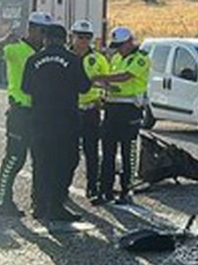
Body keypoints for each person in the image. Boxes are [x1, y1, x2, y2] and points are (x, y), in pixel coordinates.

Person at [22, 23, 91, 222]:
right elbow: (84, 87)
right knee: (65, 162)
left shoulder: (33, 59)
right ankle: (56, 204)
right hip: (65, 121)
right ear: (64, 39)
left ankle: (39, 204)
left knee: (41, 163)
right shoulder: (72, 60)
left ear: (46, 39)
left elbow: (26, 87)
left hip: (39, 119)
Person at [0, 12, 48, 216]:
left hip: (41, 113)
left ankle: (38, 203)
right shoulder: (16, 48)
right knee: (15, 158)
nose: (44, 35)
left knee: (41, 160)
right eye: (42, 31)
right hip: (20, 112)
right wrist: (4, 40)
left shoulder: (47, 52)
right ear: (31, 29)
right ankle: (3, 200)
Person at [96, 26, 150, 205]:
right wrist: (105, 86)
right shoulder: (117, 57)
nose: (118, 49)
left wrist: (102, 77)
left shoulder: (141, 58)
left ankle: (127, 189)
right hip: (112, 107)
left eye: (121, 45)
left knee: (129, 150)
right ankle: (105, 190)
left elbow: (126, 76)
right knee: (108, 151)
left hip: (130, 109)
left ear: (129, 41)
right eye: (116, 45)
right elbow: (113, 79)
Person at [70, 20, 111, 202]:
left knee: (92, 152)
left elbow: (107, 83)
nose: (84, 41)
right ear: (72, 36)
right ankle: (63, 186)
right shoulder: (65, 57)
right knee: (68, 152)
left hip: (91, 111)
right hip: (69, 111)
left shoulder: (99, 59)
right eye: (80, 37)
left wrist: (102, 99)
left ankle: (92, 186)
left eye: (87, 37)